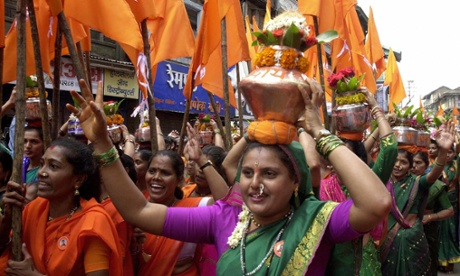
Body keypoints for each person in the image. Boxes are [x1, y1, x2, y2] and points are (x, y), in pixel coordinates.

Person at [67, 78, 391, 275]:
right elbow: (137, 211)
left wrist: (319, 132)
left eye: (270, 173)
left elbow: (377, 203)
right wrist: (102, 145)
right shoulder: (226, 217)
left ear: (296, 181)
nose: (255, 183)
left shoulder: (317, 219)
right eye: (248, 173)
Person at [0, 138, 122, 275]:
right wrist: (8, 220)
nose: (41, 172)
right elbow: (5, 249)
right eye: (42, 164)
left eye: (53, 166)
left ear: (78, 179)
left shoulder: (93, 222)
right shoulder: (34, 208)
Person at [319, 89, 397, 276]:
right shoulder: (324, 183)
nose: (338, 161)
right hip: (330, 263)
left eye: (344, 156)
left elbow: (390, 148)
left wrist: (376, 109)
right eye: (334, 156)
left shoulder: (370, 182)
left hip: (362, 263)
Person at [379, 121, 455, 276]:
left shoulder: (416, 183)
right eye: (396, 161)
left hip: (411, 241)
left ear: (410, 166)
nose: (398, 165)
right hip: (385, 240)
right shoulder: (383, 182)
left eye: (404, 162)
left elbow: (434, 174)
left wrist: (443, 151)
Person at [411, 151, 454, 276]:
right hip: (404, 232)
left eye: (418, 163)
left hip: (427, 232)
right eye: (412, 162)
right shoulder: (402, 182)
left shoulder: (435, 186)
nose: (414, 166)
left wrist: (430, 217)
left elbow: (449, 211)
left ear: (426, 165)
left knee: (426, 267)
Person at [437, 144, 460, 273]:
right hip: (440, 204)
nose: (448, 155)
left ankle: (450, 259)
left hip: (453, 204)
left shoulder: (456, 165)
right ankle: (441, 259)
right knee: (440, 232)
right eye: (446, 152)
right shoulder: (436, 166)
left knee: (451, 231)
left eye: (451, 152)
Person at [22, 126, 45, 202]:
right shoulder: (20, 167)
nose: (28, 146)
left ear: (43, 144)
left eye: (34, 142)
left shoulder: (45, 171)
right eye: (24, 141)